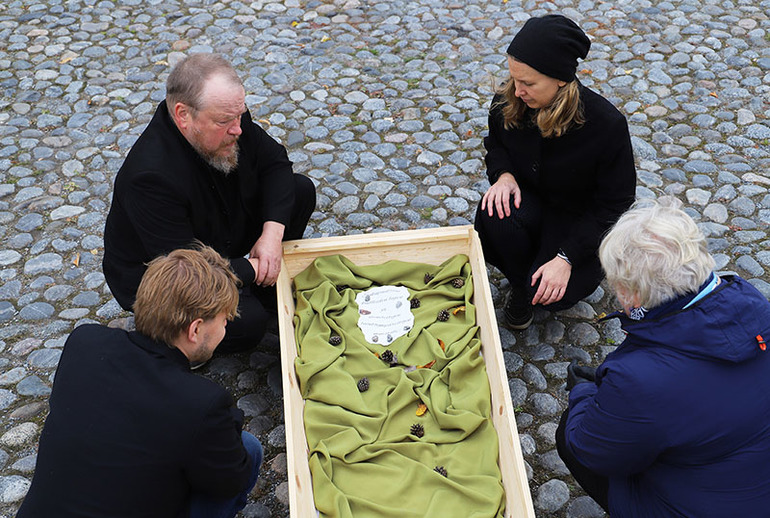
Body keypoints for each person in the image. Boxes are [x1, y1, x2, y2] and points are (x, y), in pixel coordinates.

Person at [556, 198, 770, 516]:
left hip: (697, 508)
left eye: (616, 284)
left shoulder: (639, 380)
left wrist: (584, 393)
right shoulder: (755, 305)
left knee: (568, 432)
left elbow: (592, 450)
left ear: (632, 295)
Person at [17, 246, 263, 518]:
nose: (226, 325)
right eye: (224, 319)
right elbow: (232, 479)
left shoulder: (84, 342)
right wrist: (228, 420)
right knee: (248, 448)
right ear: (195, 329)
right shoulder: (200, 404)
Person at [103, 52, 316, 353]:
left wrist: (272, 234)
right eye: (224, 121)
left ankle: (268, 290)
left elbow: (276, 163)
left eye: (239, 115)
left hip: (217, 230)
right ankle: (180, 346)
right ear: (183, 115)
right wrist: (254, 269)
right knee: (247, 322)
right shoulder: (149, 177)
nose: (237, 129)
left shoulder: (230, 117)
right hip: (171, 275)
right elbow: (187, 269)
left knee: (299, 190)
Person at [475, 14, 636, 329]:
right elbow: (495, 145)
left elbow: (614, 203)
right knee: (494, 215)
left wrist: (566, 258)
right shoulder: (509, 101)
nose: (517, 90)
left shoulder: (606, 125)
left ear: (560, 78)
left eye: (528, 83)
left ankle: (535, 281)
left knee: (553, 294)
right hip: (530, 206)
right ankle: (521, 283)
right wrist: (504, 175)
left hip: (577, 224)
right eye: (513, 78)